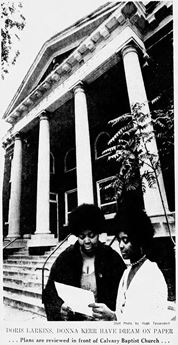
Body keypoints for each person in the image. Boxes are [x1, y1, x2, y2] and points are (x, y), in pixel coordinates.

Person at [42, 203, 126, 321]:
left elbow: (125, 295)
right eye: (82, 236)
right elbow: (49, 293)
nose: (87, 241)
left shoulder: (111, 257)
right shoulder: (66, 258)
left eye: (91, 235)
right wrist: (59, 308)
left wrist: (112, 314)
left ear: (98, 233)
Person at [89, 206, 169, 321]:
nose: (121, 245)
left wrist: (112, 317)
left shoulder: (151, 274)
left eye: (125, 240)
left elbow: (145, 323)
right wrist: (110, 315)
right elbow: (123, 312)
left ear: (139, 239)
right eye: (119, 240)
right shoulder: (127, 272)